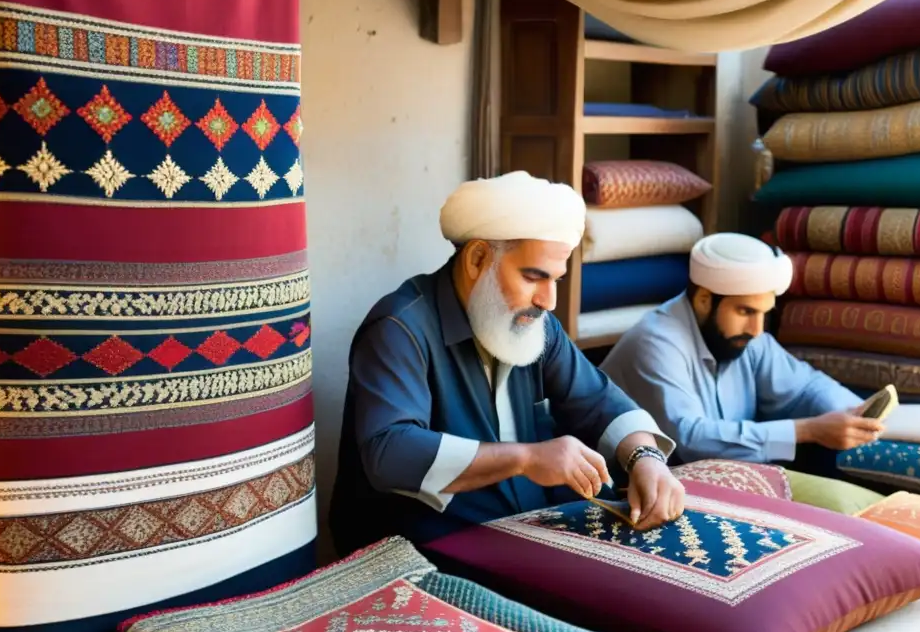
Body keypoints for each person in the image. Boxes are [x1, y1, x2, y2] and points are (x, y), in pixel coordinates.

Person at [329, 171, 684, 556]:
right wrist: (527, 458)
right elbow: (390, 452)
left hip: (517, 528)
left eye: (556, 280)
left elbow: (596, 400)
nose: (548, 299)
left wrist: (645, 458)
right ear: (478, 259)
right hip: (422, 547)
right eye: (534, 277)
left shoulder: (536, 326)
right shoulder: (400, 328)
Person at [600, 232, 885, 468]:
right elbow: (689, 439)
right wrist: (809, 430)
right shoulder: (656, 341)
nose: (757, 329)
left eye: (763, 313)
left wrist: (852, 415)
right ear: (703, 300)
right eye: (746, 311)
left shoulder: (745, 335)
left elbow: (805, 388)